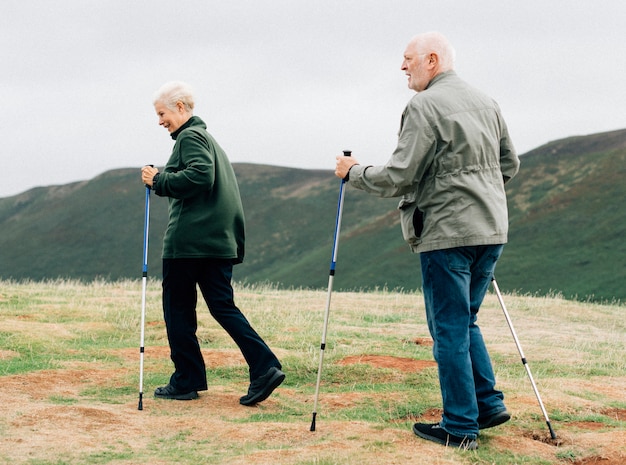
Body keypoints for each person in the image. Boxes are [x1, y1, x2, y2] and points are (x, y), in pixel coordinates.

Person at [335, 32, 520, 450]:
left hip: (447, 232)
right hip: (491, 228)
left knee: (449, 328)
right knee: (465, 319)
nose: (402, 67)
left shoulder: (424, 105)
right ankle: (487, 404)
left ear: (431, 60)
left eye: (407, 60)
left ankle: (459, 427)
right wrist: (480, 195)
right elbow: (510, 163)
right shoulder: (486, 101)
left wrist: (354, 171)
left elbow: (400, 176)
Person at [141, 81, 284, 406]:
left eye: (162, 113)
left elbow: (200, 175)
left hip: (189, 243)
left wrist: (158, 180)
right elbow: (202, 175)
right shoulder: (207, 139)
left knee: (177, 310)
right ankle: (265, 367)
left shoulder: (190, 136)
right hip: (216, 241)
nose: (160, 121)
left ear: (180, 108)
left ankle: (186, 380)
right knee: (222, 306)